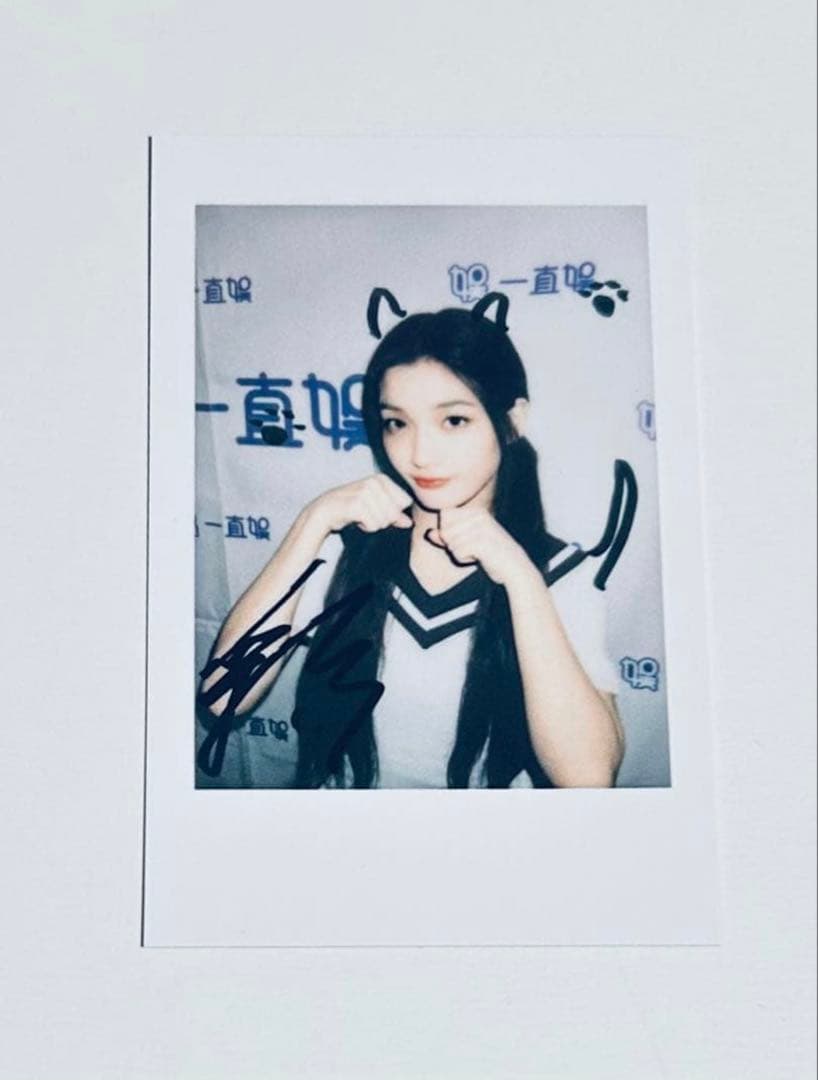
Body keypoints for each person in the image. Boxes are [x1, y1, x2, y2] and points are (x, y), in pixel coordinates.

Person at [197, 288, 627, 789]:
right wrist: (312, 522)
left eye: (454, 420)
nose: (420, 453)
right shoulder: (349, 549)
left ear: (512, 421)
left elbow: (587, 778)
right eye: (397, 423)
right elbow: (224, 698)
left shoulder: (558, 575)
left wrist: (520, 578)